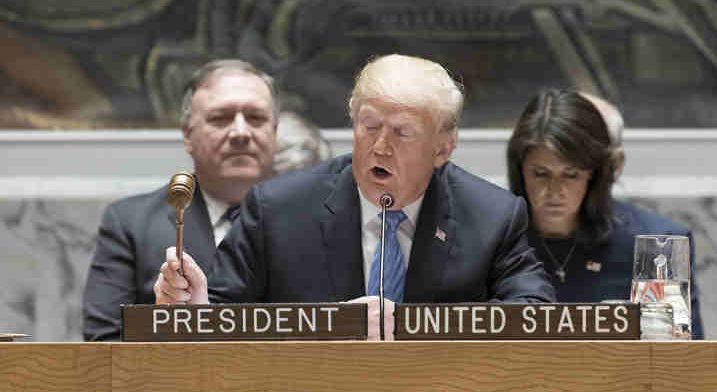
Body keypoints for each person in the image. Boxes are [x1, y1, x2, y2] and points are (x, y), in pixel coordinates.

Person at [154, 54, 555, 340]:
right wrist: (196, 309)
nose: (380, 146)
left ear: (443, 148)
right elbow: (221, 317)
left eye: (402, 132)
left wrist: (413, 328)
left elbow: (534, 313)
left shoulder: (492, 216)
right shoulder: (278, 210)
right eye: (369, 126)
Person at [83, 59, 283, 341]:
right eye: (220, 118)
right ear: (188, 135)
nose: (240, 132)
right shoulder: (131, 224)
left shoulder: (311, 220)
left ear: (274, 133)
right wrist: (166, 325)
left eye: (256, 118)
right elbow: (103, 344)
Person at [506, 89, 704, 339]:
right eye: (541, 174)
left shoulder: (657, 248)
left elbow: (677, 360)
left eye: (571, 175)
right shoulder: (495, 240)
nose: (555, 191)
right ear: (520, 170)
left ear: (594, 175)